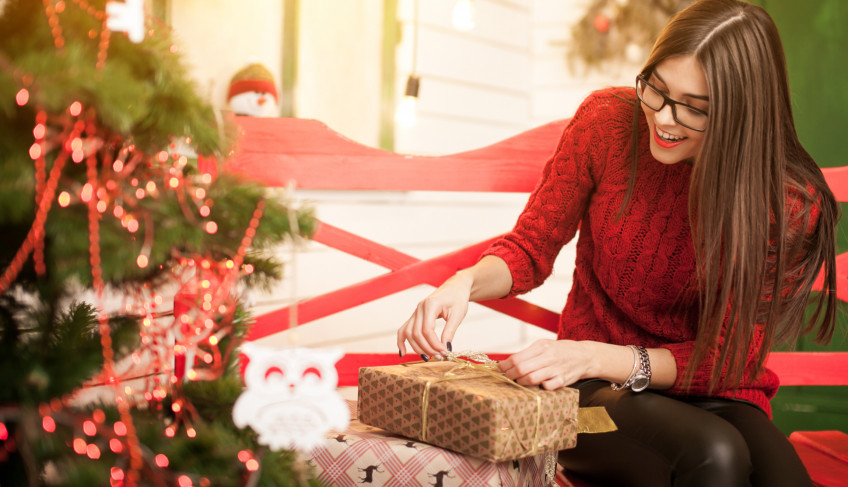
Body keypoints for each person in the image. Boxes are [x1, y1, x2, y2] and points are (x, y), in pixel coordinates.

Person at [395, 0, 839, 485]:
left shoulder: (786, 201)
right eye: (657, 89)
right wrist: (461, 284)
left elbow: (726, 358)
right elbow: (530, 247)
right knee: (714, 455)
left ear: (742, 113)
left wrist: (594, 353)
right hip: (589, 399)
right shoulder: (607, 124)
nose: (664, 120)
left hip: (712, 390)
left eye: (694, 108)